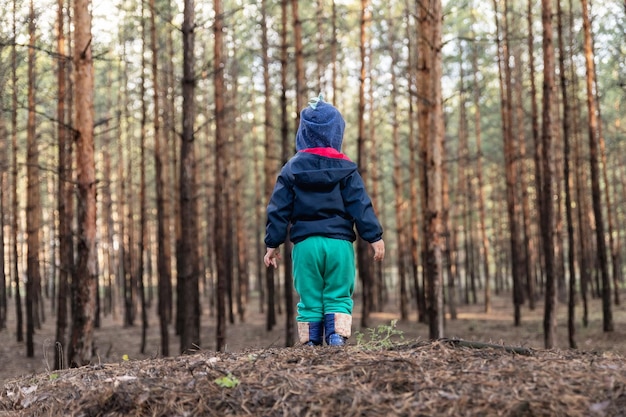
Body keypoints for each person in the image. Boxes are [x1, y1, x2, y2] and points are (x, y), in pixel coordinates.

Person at [264, 94, 385, 347]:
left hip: (305, 245)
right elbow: (360, 204)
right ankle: (336, 338)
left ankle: (310, 344)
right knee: (338, 294)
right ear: (336, 133)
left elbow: (278, 208)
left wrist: (272, 243)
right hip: (339, 245)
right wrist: (374, 236)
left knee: (309, 298)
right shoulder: (347, 169)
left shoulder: (291, 169)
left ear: (303, 134)